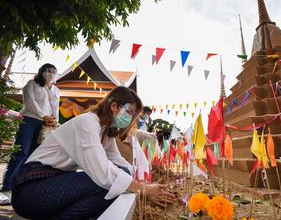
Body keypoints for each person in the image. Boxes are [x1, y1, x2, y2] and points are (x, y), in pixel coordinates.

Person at [11, 86, 176, 219]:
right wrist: (143, 189)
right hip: (29, 190)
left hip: (53, 184)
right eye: (129, 112)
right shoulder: (87, 122)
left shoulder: (105, 131)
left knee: (121, 175)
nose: (131, 119)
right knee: (105, 183)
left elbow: (119, 163)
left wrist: (146, 179)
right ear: (114, 107)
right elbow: (102, 172)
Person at [1, 63, 59, 193]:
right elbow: (29, 102)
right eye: (48, 71)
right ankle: (7, 186)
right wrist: (44, 116)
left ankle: (22, 185)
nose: (51, 74)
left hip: (46, 124)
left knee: (34, 155)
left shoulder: (56, 90)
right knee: (21, 152)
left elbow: (56, 106)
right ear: (41, 72)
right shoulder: (31, 84)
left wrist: (55, 120)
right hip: (29, 120)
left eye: (53, 71)